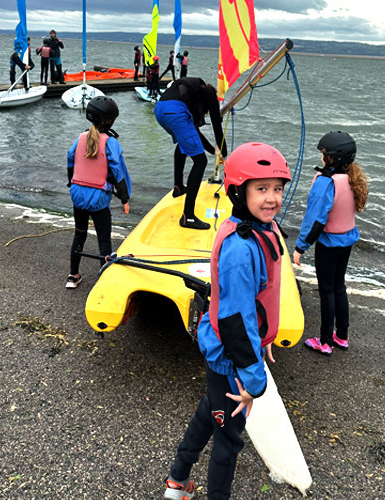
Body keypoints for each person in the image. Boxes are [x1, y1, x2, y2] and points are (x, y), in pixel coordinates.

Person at [163, 142, 291, 500]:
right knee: (228, 439)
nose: (272, 198)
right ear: (238, 191)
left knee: (211, 409)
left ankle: (177, 480)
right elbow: (235, 319)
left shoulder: (259, 230)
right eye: (261, 189)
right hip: (230, 358)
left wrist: (263, 342)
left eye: (277, 188)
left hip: (235, 354)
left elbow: (257, 301)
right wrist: (253, 378)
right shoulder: (240, 247)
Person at [293, 131, 368, 355]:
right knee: (338, 287)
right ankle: (342, 336)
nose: (322, 157)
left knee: (326, 291)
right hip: (346, 242)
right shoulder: (353, 179)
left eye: (323, 154)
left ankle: (324, 341)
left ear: (332, 158)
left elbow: (315, 220)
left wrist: (300, 248)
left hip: (328, 245)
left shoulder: (325, 182)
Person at [65, 96, 131, 289]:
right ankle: (104, 280)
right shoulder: (111, 143)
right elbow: (118, 174)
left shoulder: (80, 138)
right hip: (99, 198)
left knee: (80, 233)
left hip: (77, 195)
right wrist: (124, 199)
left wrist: (71, 182)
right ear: (109, 121)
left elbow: (70, 160)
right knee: (103, 238)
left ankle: (73, 276)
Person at [153, 77, 229, 229]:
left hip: (160, 110)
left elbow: (194, 135)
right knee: (200, 162)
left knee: (184, 144)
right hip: (174, 112)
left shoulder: (192, 93)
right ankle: (188, 216)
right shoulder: (210, 96)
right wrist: (223, 153)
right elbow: (217, 129)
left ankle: (178, 187)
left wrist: (213, 151)